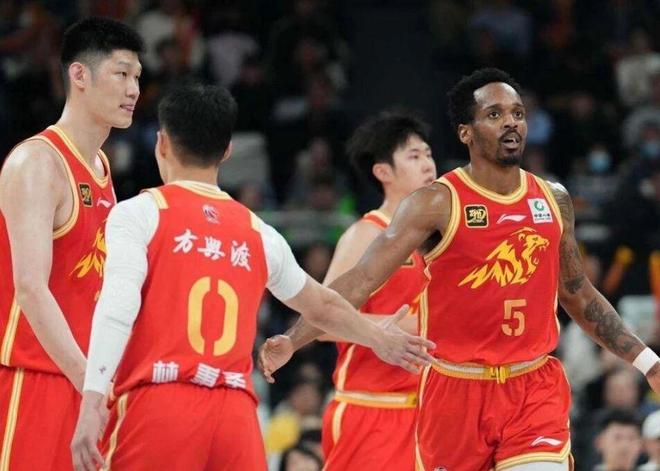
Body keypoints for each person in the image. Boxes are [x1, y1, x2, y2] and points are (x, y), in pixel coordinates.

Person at [259, 68, 660, 470]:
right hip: (454, 391)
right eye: (495, 114)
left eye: (518, 113)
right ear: (466, 132)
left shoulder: (553, 199)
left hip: (532, 387)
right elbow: (359, 281)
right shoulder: (435, 203)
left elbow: (578, 293)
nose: (510, 122)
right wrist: (293, 339)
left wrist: (647, 360)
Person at [69, 84, 435, 471]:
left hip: (162, 400)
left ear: (162, 143)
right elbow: (324, 306)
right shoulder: (259, 231)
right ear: (228, 150)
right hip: (235, 412)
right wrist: (379, 337)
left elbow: (117, 308)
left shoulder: (139, 213)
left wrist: (92, 400)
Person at [0, 17, 143, 471]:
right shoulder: (37, 162)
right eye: (121, 74)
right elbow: (30, 288)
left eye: (137, 77)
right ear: (79, 75)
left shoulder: (100, 165)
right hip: (34, 378)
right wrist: (90, 383)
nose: (134, 90)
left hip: (82, 379)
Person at [315, 111, 436, 470]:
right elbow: (321, 321)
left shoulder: (439, 238)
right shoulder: (366, 234)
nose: (427, 164)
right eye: (414, 156)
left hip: (427, 413)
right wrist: (398, 327)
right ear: (383, 172)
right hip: (371, 410)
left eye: (428, 153)